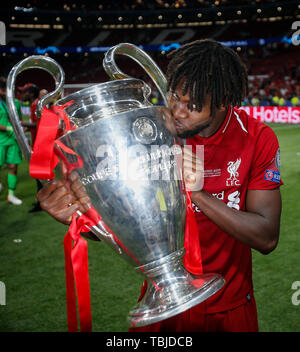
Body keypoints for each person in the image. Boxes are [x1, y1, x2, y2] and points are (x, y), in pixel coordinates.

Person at [36, 39, 283, 332]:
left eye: (192, 105)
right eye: (174, 97)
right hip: (163, 306)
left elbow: (266, 237)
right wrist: (82, 220)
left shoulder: (256, 138)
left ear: (221, 102)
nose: (177, 112)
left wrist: (198, 194)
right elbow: (131, 218)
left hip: (228, 306)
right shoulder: (151, 130)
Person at [19, 84, 48, 212]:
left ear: (31, 94)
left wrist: (22, 124)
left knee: (39, 173)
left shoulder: (37, 104)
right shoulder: (33, 104)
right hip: (36, 141)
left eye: (24, 92)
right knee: (39, 173)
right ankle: (42, 201)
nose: (22, 95)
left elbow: (38, 124)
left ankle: (41, 202)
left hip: (39, 142)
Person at [0, 76, 23, 205]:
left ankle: (11, 195)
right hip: (0, 140)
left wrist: (20, 128)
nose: (5, 92)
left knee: (13, 167)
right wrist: (10, 128)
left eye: (7, 89)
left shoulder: (16, 103)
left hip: (13, 140)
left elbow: (18, 120)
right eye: (3, 89)